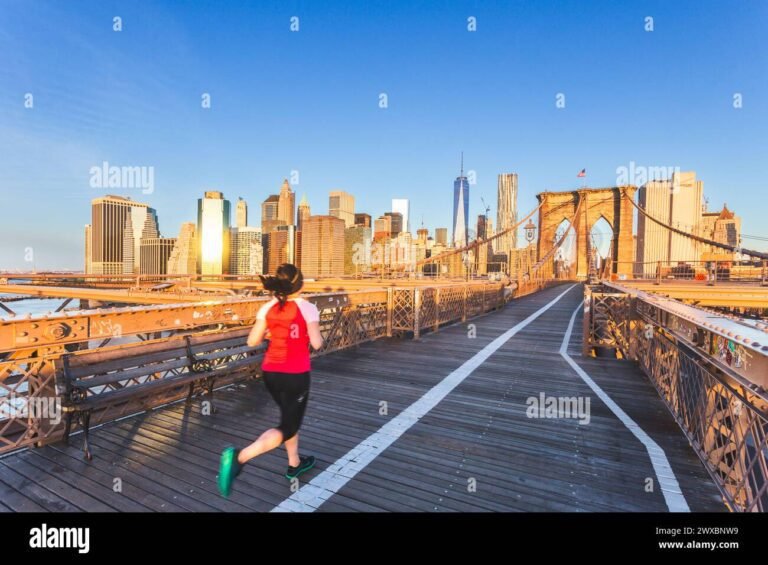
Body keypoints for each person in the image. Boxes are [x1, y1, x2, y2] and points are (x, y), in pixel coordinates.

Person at [218, 263, 324, 497]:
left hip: (271, 373)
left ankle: (294, 463)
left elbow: (252, 341)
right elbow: (317, 344)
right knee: (287, 426)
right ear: (300, 284)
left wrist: (272, 332)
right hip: (295, 375)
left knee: (288, 416)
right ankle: (239, 457)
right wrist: (309, 334)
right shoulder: (308, 308)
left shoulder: (267, 307)